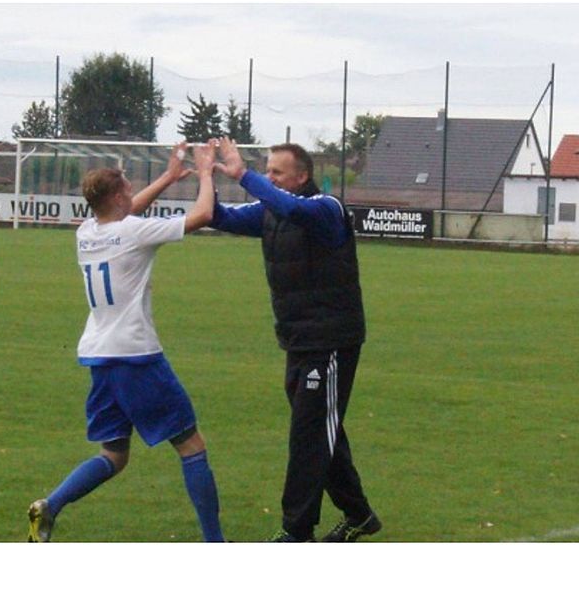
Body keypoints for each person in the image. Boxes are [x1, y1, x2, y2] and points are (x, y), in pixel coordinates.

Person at [28, 141, 225, 542]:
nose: (131, 194)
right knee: (191, 445)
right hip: (137, 357)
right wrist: (205, 171)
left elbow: (126, 211)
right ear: (118, 195)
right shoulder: (133, 232)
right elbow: (203, 214)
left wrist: (169, 177)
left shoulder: (86, 232)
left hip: (99, 357)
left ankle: (50, 506)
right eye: (127, 189)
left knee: (114, 456)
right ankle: (215, 545)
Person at [208, 137, 381, 542]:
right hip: (298, 340)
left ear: (302, 177)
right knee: (322, 430)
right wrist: (203, 177)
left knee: (308, 436)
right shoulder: (270, 212)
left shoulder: (325, 209)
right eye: (266, 171)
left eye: (276, 172)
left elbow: (292, 209)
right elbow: (222, 217)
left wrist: (245, 175)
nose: (269, 178)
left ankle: (296, 532)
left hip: (331, 341)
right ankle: (359, 515)